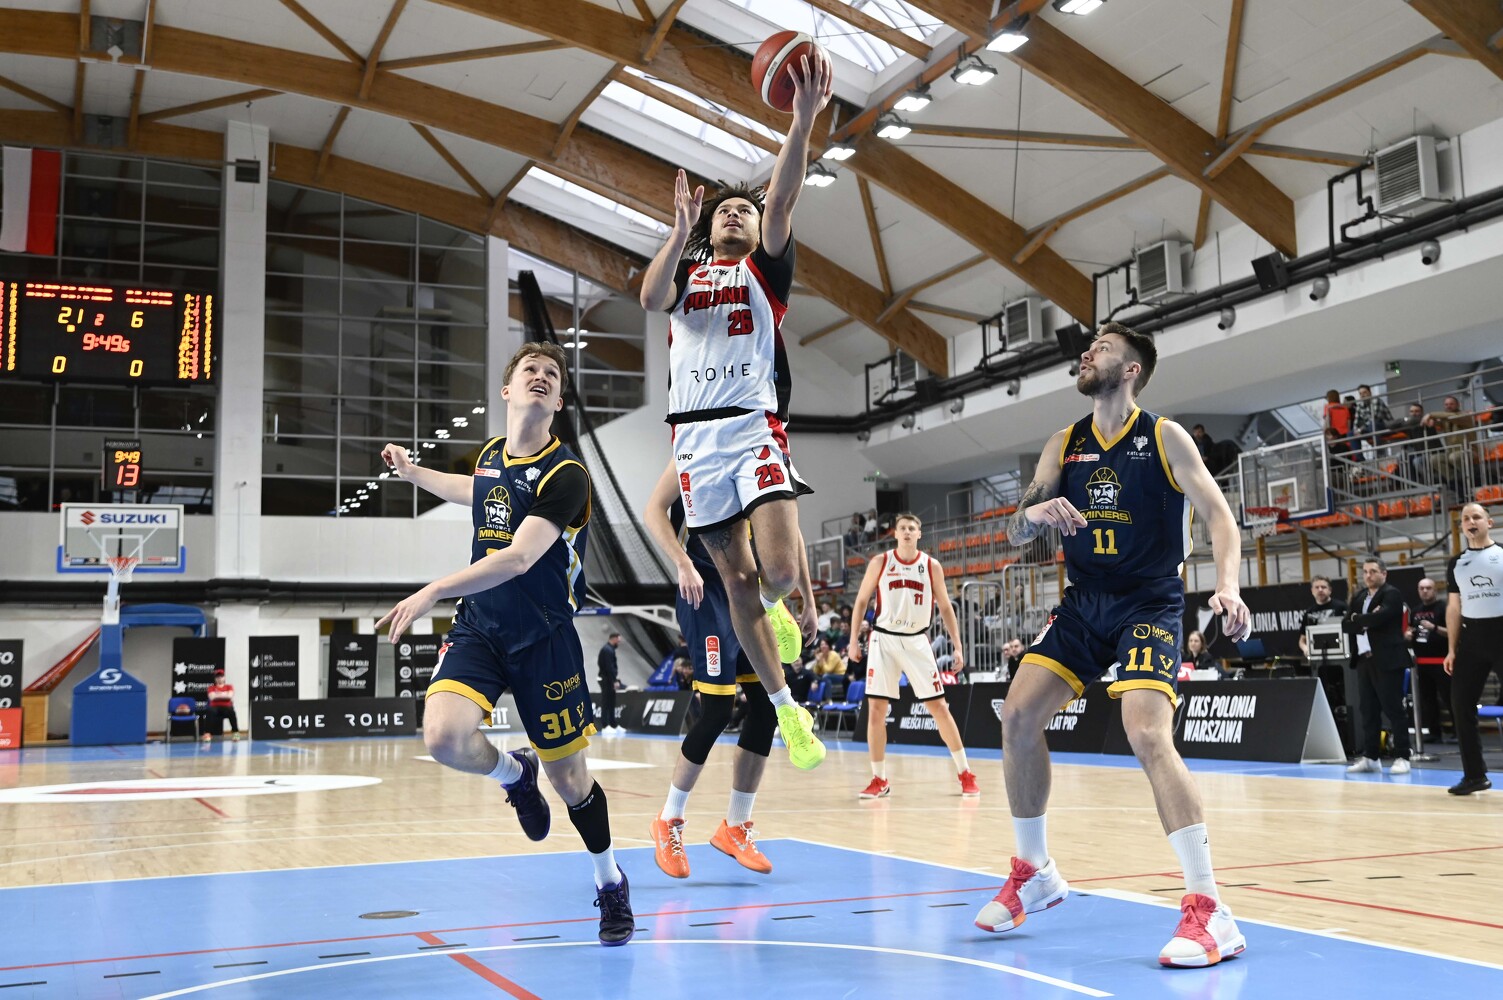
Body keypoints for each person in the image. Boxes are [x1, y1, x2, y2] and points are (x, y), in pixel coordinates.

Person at [976, 322, 1252, 968]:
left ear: (1130, 370)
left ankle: (1211, 910)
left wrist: (1228, 586)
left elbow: (1219, 516)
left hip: (1148, 600)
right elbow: (1018, 529)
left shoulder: (1164, 436)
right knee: (1016, 717)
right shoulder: (1063, 442)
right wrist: (1030, 515)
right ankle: (1035, 871)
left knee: (1146, 733)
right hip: (1084, 603)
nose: (1086, 352)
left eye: (1101, 348)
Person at [376, 342, 633, 947]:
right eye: (530, 370)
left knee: (571, 784)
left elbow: (518, 558)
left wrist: (434, 589)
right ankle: (514, 775)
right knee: (443, 738)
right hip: (481, 627)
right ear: (507, 390)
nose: (541, 377)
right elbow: (476, 489)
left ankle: (610, 880)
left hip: (544, 637)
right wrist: (413, 473)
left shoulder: (568, 475)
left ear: (559, 400)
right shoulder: (492, 455)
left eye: (552, 374)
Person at [637, 50, 834, 772]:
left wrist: (801, 120)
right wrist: (677, 227)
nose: (735, 214)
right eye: (724, 209)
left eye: (743, 211)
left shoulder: (765, 272)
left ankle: (780, 607)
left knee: (776, 572)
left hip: (752, 426)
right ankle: (787, 710)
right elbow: (648, 298)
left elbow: (781, 201)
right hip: (695, 443)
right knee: (735, 581)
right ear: (706, 226)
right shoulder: (686, 276)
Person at [641, 458, 787, 879]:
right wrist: (681, 563)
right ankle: (668, 819)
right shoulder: (690, 450)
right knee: (718, 711)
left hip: (747, 593)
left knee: (766, 708)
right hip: (704, 595)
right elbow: (653, 511)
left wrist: (807, 600)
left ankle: (735, 826)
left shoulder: (760, 451)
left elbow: (787, 529)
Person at [849, 512, 978, 799]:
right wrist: (853, 640)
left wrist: (957, 645)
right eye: (902, 528)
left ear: (919, 534)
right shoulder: (880, 562)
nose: (907, 532)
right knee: (876, 711)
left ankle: (965, 773)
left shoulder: (931, 566)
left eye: (912, 528)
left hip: (917, 641)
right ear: (895, 534)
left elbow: (946, 607)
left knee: (939, 707)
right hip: (883, 639)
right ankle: (879, 779)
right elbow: (861, 601)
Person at [1444, 503, 1503, 795]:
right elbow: (1454, 608)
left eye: (1476, 516)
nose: (1471, 521)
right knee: (1460, 704)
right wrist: (1452, 649)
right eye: (1465, 518)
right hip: (1472, 638)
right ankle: (1475, 776)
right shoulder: (1456, 563)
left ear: (1488, 522)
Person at [1342, 557, 1413, 775]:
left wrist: (1360, 619)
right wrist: (1363, 619)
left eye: (1373, 571)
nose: (1368, 575)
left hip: (1388, 659)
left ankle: (1403, 756)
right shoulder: (1360, 596)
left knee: (1393, 709)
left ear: (1384, 573)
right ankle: (1371, 757)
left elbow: (1381, 618)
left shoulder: (1391, 594)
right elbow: (1346, 624)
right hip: (1364, 659)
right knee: (1368, 710)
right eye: (1365, 572)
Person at [1405, 577, 1451, 742]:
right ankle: (1434, 732)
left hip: (1442, 661)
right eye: (1422, 588)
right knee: (1427, 699)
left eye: (1428, 588)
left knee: (1449, 697)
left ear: (1435, 590)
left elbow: (1454, 632)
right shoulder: (1415, 611)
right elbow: (1410, 631)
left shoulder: (1443, 607)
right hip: (1422, 662)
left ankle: (1457, 731)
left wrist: (1435, 628)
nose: (1425, 591)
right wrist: (1408, 635)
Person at [202, 670, 239, 742]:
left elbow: (229, 696)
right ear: (215, 679)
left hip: (226, 707)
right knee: (210, 711)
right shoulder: (211, 688)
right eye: (217, 677)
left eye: (221, 676)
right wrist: (224, 694)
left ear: (224, 678)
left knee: (231, 711)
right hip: (214, 708)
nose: (219, 678)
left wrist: (217, 694)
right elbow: (212, 697)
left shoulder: (229, 686)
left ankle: (235, 733)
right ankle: (207, 734)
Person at [597, 632, 623, 736]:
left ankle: (613, 724)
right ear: (614, 639)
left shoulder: (610, 649)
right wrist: (614, 680)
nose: (619, 643)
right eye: (618, 641)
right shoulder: (607, 650)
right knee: (606, 701)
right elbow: (609, 667)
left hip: (610, 679)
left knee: (612, 702)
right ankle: (605, 725)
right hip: (606, 679)